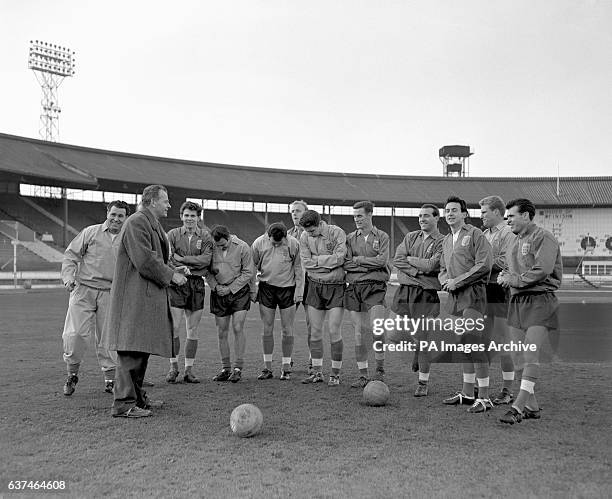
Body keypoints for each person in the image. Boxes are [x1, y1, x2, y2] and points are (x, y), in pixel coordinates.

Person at [103, 185, 188, 418]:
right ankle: (123, 404)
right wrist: (172, 276)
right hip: (134, 298)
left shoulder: (150, 223)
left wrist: (173, 268)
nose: (168, 205)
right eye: (165, 201)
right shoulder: (137, 222)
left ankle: (137, 399)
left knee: (140, 349)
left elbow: (155, 258)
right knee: (131, 350)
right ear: (152, 201)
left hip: (143, 298)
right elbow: (145, 260)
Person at [498, 198, 562, 424]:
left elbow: (542, 270)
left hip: (540, 301)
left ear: (526, 216)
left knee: (529, 353)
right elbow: (509, 268)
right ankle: (532, 407)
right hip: (517, 302)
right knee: (516, 356)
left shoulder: (544, 237)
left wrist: (513, 279)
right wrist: (503, 276)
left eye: (512, 216)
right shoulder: (514, 242)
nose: (508, 221)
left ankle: (518, 406)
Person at [60, 200, 130, 396]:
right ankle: (71, 375)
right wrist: (68, 278)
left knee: (108, 340)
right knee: (75, 335)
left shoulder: (128, 237)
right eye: (113, 214)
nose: (116, 219)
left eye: (120, 216)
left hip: (111, 293)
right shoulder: (90, 232)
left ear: (125, 218)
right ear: (107, 213)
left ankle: (110, 380)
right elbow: (70, 256)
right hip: (83, 290)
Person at [439, 196, 493, 413]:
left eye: (454, 210)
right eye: (447, 210)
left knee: (474, 344)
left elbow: (484, 264)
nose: (450, 214)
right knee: (462, 345)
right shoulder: (445, 240)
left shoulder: (475, 234)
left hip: (473, 294)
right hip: (454, 296)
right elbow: (443, 268)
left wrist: (457, 281)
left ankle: (486, 397)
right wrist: (445, 281)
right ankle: (468, 393)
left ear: (464, 214)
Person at [391, 204, 444, 397]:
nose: (422, 219)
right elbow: (397, 259)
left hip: (426, 295)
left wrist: (410, 261)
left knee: (423, 341)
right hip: (405, 291)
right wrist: (416, 271)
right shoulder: (410, 236)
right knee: (393, 334)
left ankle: (423, 382)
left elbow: (432, 266)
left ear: (437, 218)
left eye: (427, 216)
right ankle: (416, 347)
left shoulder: (442, 241)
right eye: (420, 216)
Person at [343, 201, 390, 387]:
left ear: (370, 215)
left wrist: (359, 260)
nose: (356, 219)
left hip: (376, 287)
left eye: (360, 216)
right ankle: (363, 375)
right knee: (359, 334)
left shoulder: (383, 236)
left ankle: (380, 369)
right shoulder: (349, 238)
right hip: (354, 288)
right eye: (354, 216)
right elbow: (346, 263)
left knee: (377, 329)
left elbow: (382, 261)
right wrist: (368, 264)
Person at [166, 201, 213, 384]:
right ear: (181, 217)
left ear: (198, 218)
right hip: (177, 283)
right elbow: (168, 258)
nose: (189, 219)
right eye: (186, 215)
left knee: (192, 329)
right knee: (174, 327)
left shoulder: (206, 236)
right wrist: (180, 267)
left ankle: (189, 370)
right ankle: (173, 367)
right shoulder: (172, 235)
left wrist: (183, 259)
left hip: (197, 284)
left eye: (193, 216)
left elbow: (206, 261)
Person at [298, 210, 347, 386]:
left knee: (334, 330)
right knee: (316, 331)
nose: (309, 234)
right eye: (307, 231)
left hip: (335, 287)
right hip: (314, 286)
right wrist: (327, 263)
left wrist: (316, 261)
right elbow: (306, 262)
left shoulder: (337, 232)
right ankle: (317, 373)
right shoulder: (304, 236)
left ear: (319, 224)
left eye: (312, 231)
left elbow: (340, 258)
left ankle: (335, 374)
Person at [252, 222, 303, 380]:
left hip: (287, 289)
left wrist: (299, 291)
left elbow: (298, 268)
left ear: (285, 237)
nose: (276, 244)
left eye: (279, 243)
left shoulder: (294, 243)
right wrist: (252, 289)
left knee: (287, 328)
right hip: (266, 288)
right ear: (268, 237)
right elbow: (252, 266)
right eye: (274, 242)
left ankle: (286, 367)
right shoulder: (258, 243)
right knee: (267, 328)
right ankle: (267, 368)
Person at [479, 195, 517, 405]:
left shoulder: (508, 232)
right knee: (482, 340)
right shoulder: (485, 234)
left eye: (484, 212)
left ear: (496, 211)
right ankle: (480, 385)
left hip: (501, 290)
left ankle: (507, 390)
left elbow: (506, 261)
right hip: (484, 290)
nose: (481, 216)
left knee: (503, 342)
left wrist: (481, 264)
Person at [205, 225, 254, 383]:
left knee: (238, 327)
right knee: (222, 331)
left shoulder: (243, 247)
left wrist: (231, 289)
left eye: (223, 245)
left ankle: (238, 368)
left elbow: (248, 272)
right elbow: (206, 270)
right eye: (217, 245)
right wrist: (215, 287)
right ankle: (225, 369)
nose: (219, 247)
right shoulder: (211, 247)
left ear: (229, 237)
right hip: (219, 293)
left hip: (239, 292)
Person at [287, 200, 313, 373]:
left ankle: (313, 358)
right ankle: (286, 359)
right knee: (287, 323)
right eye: (292, 211)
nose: (294, 214)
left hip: (311, 282)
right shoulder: (286, 234)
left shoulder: (313, 233)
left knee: (313, 323)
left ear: (306, 213)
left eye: (298, 211)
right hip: (292, 283)